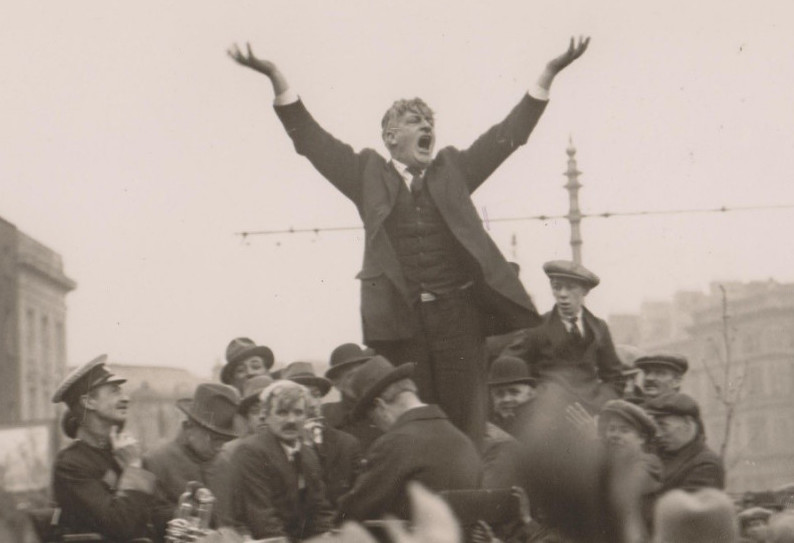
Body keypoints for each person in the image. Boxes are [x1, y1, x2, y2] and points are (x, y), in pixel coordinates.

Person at [228, 37, 591, 447]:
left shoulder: (453, 169)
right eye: (415, 120)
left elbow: (508, 136)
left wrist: (547, 73)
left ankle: (469, 505)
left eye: (429, 122)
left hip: (459, 320)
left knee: (466, 425)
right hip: (403, 324)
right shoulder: (365, 174)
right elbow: (311, 141)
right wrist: (276, 76)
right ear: (390, 135)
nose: (427, 127)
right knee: (415, 423)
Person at [338, 356, 481, 521]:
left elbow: (351, 513)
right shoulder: (463, 440)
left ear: (380, 406)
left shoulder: (394, 443)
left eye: (372, 419)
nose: (377, 427)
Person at [51, 355, 161, 541]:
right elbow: (119, 526)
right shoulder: (70, 465)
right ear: (89, 402)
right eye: (114, 391)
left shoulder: (123, 451)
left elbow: (153, 513)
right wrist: (133, 468)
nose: (125, 398)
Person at [505, 260, 623, 413]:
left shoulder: (599, 328)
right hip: (548, 413)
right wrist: (536, 395)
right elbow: (508, 366)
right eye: (557, 287)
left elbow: (615, 376)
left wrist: (602, 402)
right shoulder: (536, 327)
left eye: (570, 287)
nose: (562, 295)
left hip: (591, 412)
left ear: (585, 291)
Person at [229, 380, 334, 540]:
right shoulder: (251, 452)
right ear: (266, 415)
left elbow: (320, 511)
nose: (291, 420)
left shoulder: (308, 455)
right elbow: (262, 520)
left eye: (298, 413)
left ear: (306, 416)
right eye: (282, 412)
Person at [143, 383, 241, 525]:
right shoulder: (155, 462)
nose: (220, 447)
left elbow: (238, 520)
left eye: (225, 440)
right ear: (190, 426)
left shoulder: (228, 463)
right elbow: (150, 520)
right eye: (214, 438)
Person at [282, 361, 363, 507]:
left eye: (316, 394)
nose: (312, 404)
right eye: (302, 397)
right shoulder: (272, 448)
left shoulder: (347, 445)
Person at [645, 392, 725, 493]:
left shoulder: (707, 465)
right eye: (655, 427)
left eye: (663, 426)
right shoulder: (660, 454)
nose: (658, 434)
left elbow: (686, 508)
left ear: (687, 423)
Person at [322, 343, 382, 449]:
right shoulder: (327, 417)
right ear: (337, 384)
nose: (359, 380)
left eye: (363, 373)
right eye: (351, 376)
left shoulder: (383, 412)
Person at [488, 355, 537, 438]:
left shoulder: (543, 428)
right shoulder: (487, 430)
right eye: (499, 394)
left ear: (530, 394)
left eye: (514, 392)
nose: (506, 399)